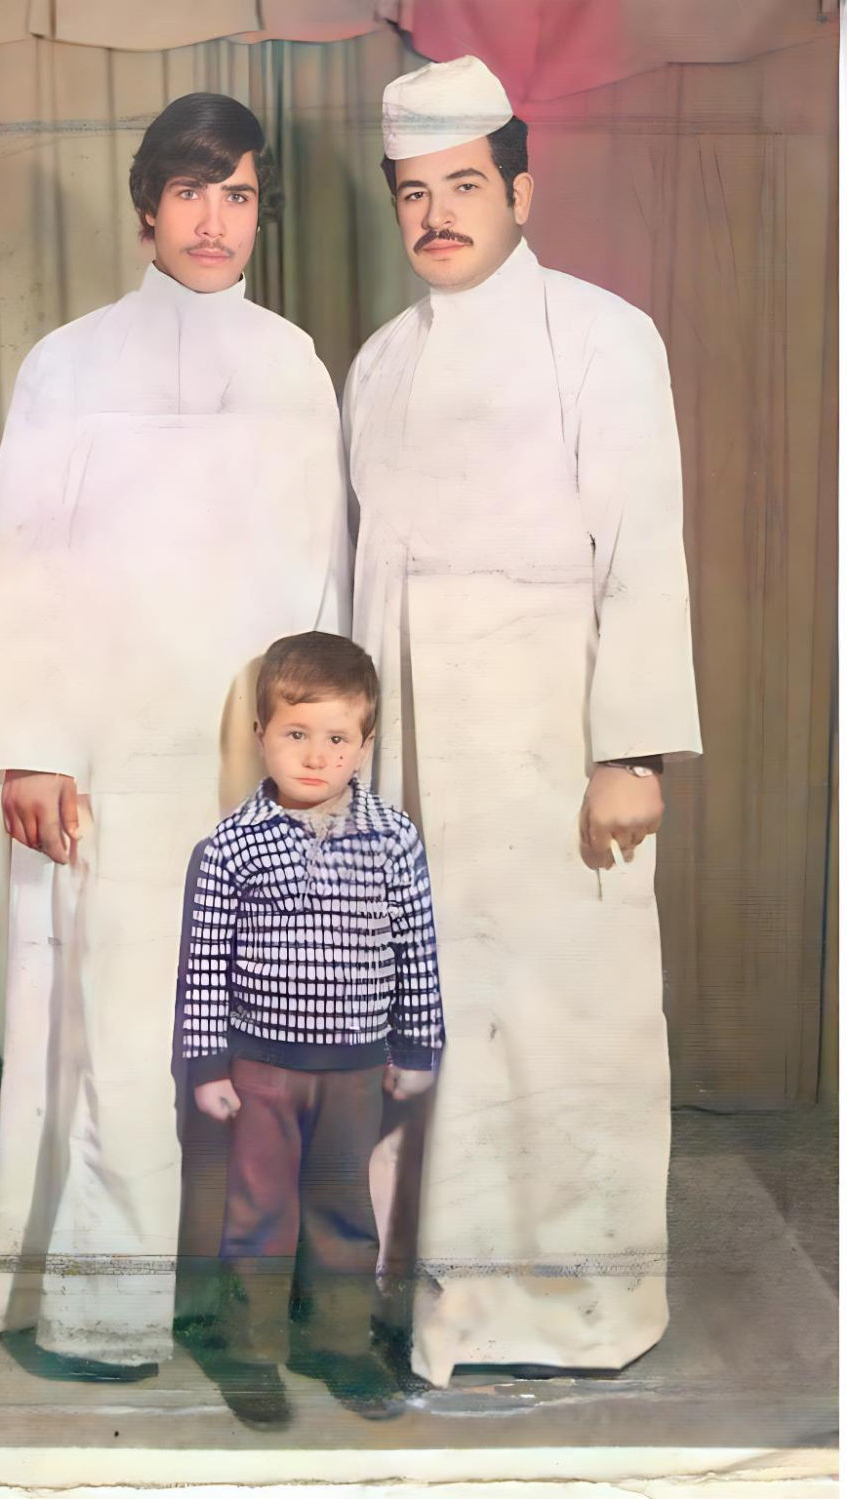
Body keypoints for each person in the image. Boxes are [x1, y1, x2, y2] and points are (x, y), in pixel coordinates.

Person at [0, 94, 349, 1379]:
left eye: (236, 194)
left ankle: (243, 1301)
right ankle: (110, 1315)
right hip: (118, 747)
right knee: (128, 1029)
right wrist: (34, 742)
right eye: (190, 192)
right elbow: (22, 563)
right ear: (147, 209)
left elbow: (325, 584)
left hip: (255, 752)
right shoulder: (67, 364)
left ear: (258, 211)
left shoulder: (295, 366)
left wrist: (322, 761)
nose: (213, 219)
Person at [345, 56, 702, 1388]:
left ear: (521, 191)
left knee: (566, 1034)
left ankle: (578, 1313)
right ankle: (436, 1308)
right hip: (414, 772)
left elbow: (642, 554)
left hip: (556, 756)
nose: (439, 215)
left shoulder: (605, 337)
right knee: (426, 1035)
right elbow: (360, 584)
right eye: (414, 193)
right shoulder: (378, 366)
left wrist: (631, 750)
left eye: (465, 186)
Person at [178, 631, 444, 1425]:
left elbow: (417, 947)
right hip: (261, 1068)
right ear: (262, 732)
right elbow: (205, 962)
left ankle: (340, 1341)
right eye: (296, 733)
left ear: (365, 743)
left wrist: (417, 1045)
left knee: (342, 1209)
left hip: (356, 1067)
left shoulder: (392, 837)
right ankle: (252, 1352)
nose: (317, 755)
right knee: (259, 1211)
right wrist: (207, 1065)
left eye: (337, 738)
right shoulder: (233, 844)